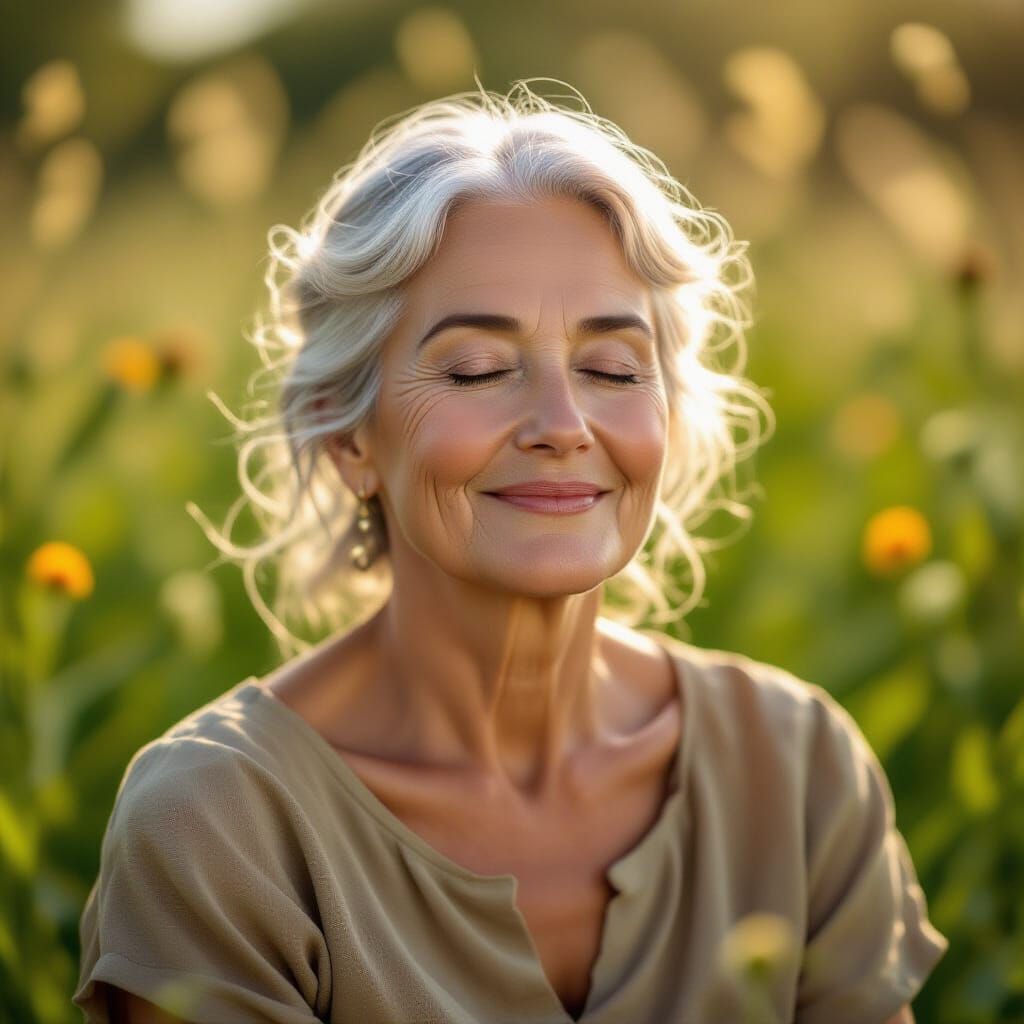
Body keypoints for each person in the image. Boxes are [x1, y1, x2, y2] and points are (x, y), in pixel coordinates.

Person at [73, 81, 947, 1023]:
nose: (563, 424)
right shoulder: (219, 823)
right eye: (478, 370)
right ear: (347, 434)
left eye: (613, 369)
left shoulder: (798, 768)